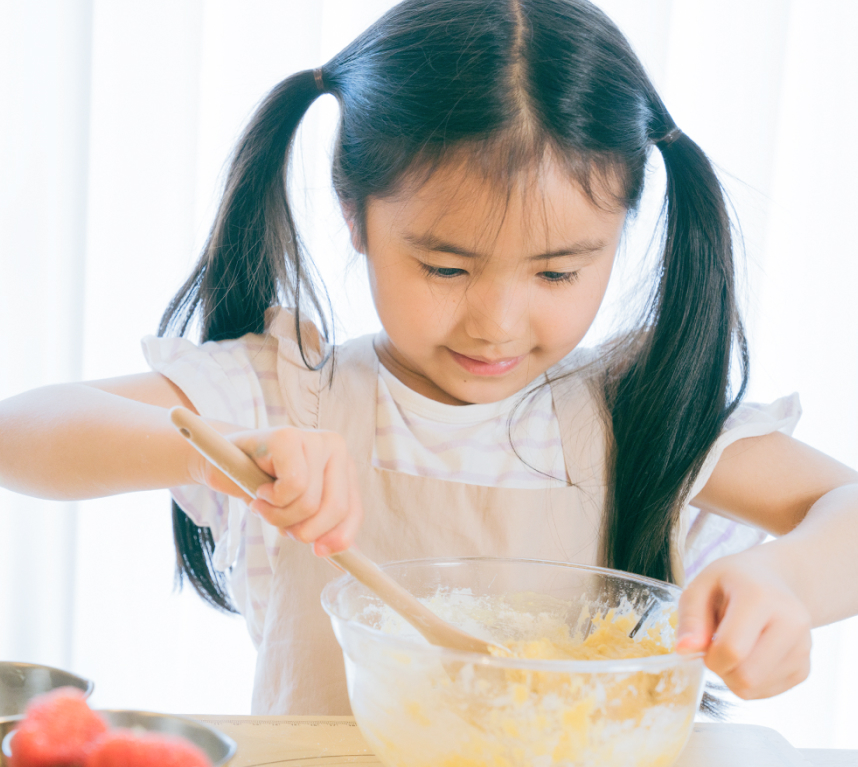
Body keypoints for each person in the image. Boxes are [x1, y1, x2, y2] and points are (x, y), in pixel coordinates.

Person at [1, 0, 856, 717]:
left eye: (558, 270)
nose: (496, 322)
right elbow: (20, 432)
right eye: (445, 267)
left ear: (625, 226)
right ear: (353, 212)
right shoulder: (289, 398)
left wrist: (787, 581)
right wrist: (223, 451)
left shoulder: (639, 414)